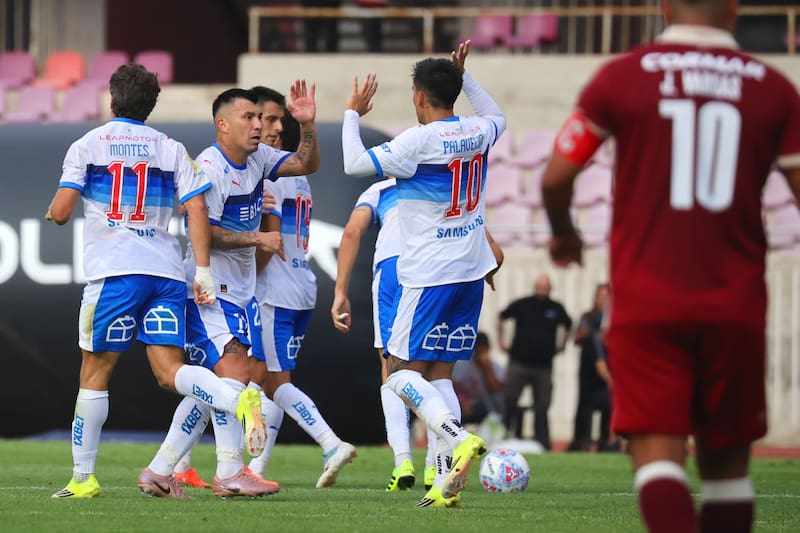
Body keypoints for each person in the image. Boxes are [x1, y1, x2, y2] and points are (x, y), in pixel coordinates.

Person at [541, 1, 800, 531]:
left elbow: (555, 178)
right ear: (734, 8)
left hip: (648, 300)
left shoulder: (622, 77)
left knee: (659, 461)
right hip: (735, 302)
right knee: (728, 474)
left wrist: (564, 233)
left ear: (663, 7)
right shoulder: (774, 88)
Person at [46, 64, 269, 499]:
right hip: (165, 275)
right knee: (170, 373)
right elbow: (197, 209)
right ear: (151, 105)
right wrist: (201, 270)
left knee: (95, 371)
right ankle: (236, 398)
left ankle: (83, 478)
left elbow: (62, 211)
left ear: (113, 100)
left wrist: (52, 210)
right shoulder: (171, 148)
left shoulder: (89, 144)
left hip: (114, 272)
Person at [341, 40, 506, 508]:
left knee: (397, 374)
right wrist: (464, 77)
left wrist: (352, 114)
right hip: (471, 273)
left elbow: (354, 163)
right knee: (440, 376)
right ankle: (443, 482)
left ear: (418, 96)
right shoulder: (480, 130)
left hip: (429, 273)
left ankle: (458, 437)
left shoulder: (418, 141)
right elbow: (497, 114)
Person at [140, 82, 321, 499]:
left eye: (260, 117)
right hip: (209, 289)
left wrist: (308, 126)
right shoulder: (210, 167)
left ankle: (160, 471)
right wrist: (257, 238)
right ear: (223, 125)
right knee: (236, 378)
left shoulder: (258, 158)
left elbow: (304, 163)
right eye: (249, 117)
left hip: (240, 290)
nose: (259, 125)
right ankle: (229, 472)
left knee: (216, 391)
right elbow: (204, 230)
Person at [246, 95, 357, 489]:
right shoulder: (297, 174)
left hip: (274, 291)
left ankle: (331, 444)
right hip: (299, 286)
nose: (263, 129)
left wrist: (244, 277)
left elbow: (270, 240)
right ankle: (255, 469)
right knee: (267, 382)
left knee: (271, 383)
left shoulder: (268, 175)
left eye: (265, 121)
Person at [497, 273, 572, 449]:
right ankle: (503, 437)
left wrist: (561, 345)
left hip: (544, 366)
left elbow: (568, 325)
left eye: (545, 287)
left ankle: (542, 442)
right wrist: (501, 341)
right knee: (509, 400)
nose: (543, 290)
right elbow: (502, 316)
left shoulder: (556, 308)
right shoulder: (523, 304)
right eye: (540, 286)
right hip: (519, 362)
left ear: (550, 288)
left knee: (542, 405)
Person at [567, 283, 610, 452]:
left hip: (609, 366)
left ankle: (606, 443)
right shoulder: (588, 317)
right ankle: (582, 442)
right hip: (589, 369)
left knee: (608, 406)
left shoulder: (614, 317)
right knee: (585, 407)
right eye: (601, 297)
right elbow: (577, 339)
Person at [452, 332, 505, 426]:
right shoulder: (461, 365)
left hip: (485, 406)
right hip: (463, 404)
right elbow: (453, 386)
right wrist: (462, 401)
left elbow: (496, 390)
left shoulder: (495, 367)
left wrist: (487, 369)